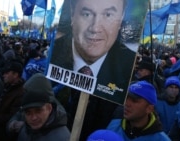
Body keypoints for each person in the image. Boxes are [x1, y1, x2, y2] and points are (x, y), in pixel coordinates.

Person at [49, 0, 136, 140]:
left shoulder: (125, 71)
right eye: (87, 14)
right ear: (72, 14)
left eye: (108, 15)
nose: (95, 28)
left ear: (121, 18)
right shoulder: (56, 57)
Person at [7, 73, 70, 141]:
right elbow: (18, 114)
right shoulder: (25, 129)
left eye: (38, 111)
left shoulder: (62, 137)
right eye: (28, 113)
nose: (34, 118)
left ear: (49, 108)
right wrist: (13, 124)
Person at [107, 81, 171, 141]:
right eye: (126, 98)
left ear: (149, 108)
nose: (126, 104)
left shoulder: (161, 139)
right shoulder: (114, 126)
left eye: (134, 101)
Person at [0, 60, 25, 141]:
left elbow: (10, 118)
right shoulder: (7, 86)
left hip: (3, 134)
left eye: (7, 73)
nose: (3, 75)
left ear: (15, 75)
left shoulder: (20, 93)